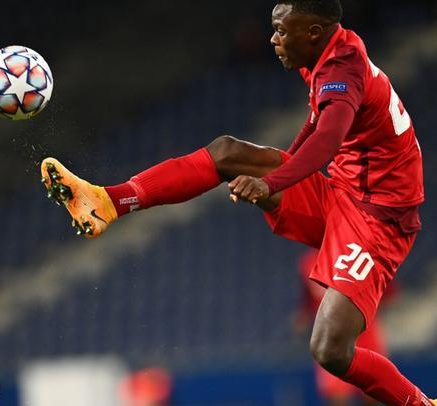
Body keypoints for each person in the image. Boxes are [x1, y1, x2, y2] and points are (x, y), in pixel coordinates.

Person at [40, 0, 434, 404]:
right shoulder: (326, 55)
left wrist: (273, 182)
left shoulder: (341, 69)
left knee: (330, 349)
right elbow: (318, 124)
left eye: (282, 30)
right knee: (228, 152)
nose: (273, 39)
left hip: (378, 219)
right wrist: (279, 168)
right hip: (342, 194)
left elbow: (329, 139)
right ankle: (108, 200)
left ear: (313, 33)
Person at [294, 249, 391, 406]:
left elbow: (386, 289)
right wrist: (304, 315)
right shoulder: (308, 263)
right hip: (332, 335)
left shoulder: (359, 252)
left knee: (372, 393)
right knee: (337, 394)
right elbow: (309, 296)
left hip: (364, 331)